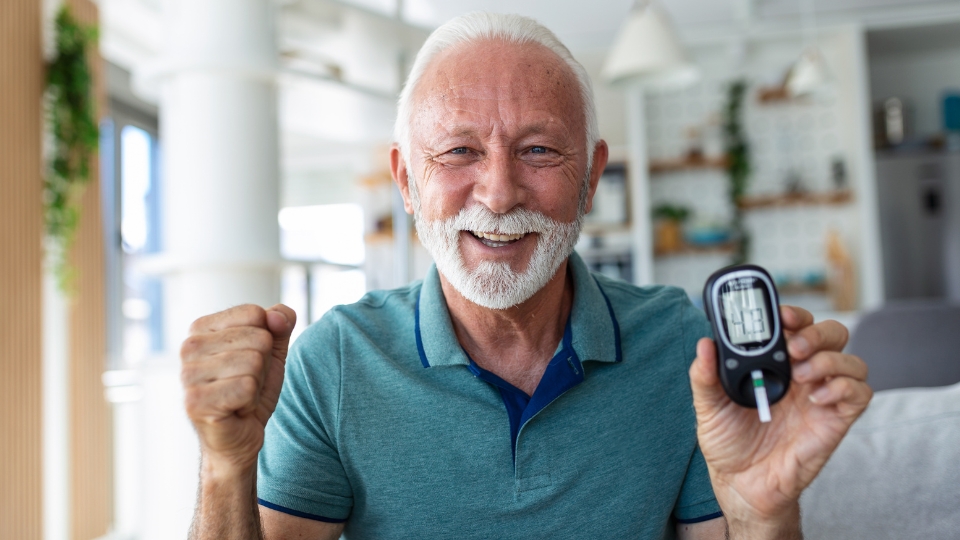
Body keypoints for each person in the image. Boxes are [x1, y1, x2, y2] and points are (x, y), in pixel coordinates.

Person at [180, 12, 872, 540]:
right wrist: (227, 466)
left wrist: (762, 517)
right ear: (406, 181)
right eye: (458, 151)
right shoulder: (334, 360)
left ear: (592, 178)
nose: (500, 193)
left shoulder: (682, 349)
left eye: (539, 150)